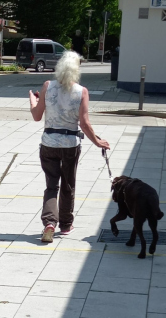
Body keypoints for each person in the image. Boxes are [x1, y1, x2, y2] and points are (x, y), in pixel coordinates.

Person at [29, 50, 110, 243]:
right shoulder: (82, 91)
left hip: (49, 143)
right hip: (70, 145)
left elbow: (37, 116)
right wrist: (97, 141)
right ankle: (65, 224)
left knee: (51, 185)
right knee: (68, 185)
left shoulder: (48, 86)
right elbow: (84, 123)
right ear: (76, 70)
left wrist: (33, 99)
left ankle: (49, 223)